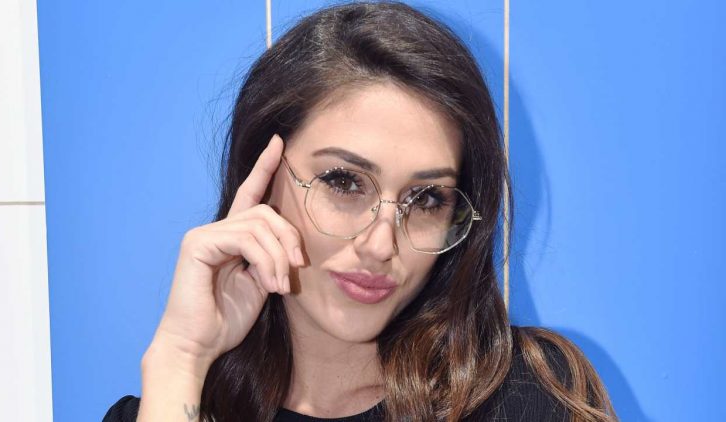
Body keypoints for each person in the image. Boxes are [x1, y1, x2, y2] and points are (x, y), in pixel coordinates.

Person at [103, 1, 617, 421]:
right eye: (344, 182)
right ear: (262, 177)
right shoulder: (168, 404)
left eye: (427, 199)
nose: (380, 245)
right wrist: (181, 357)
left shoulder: (526, 398)